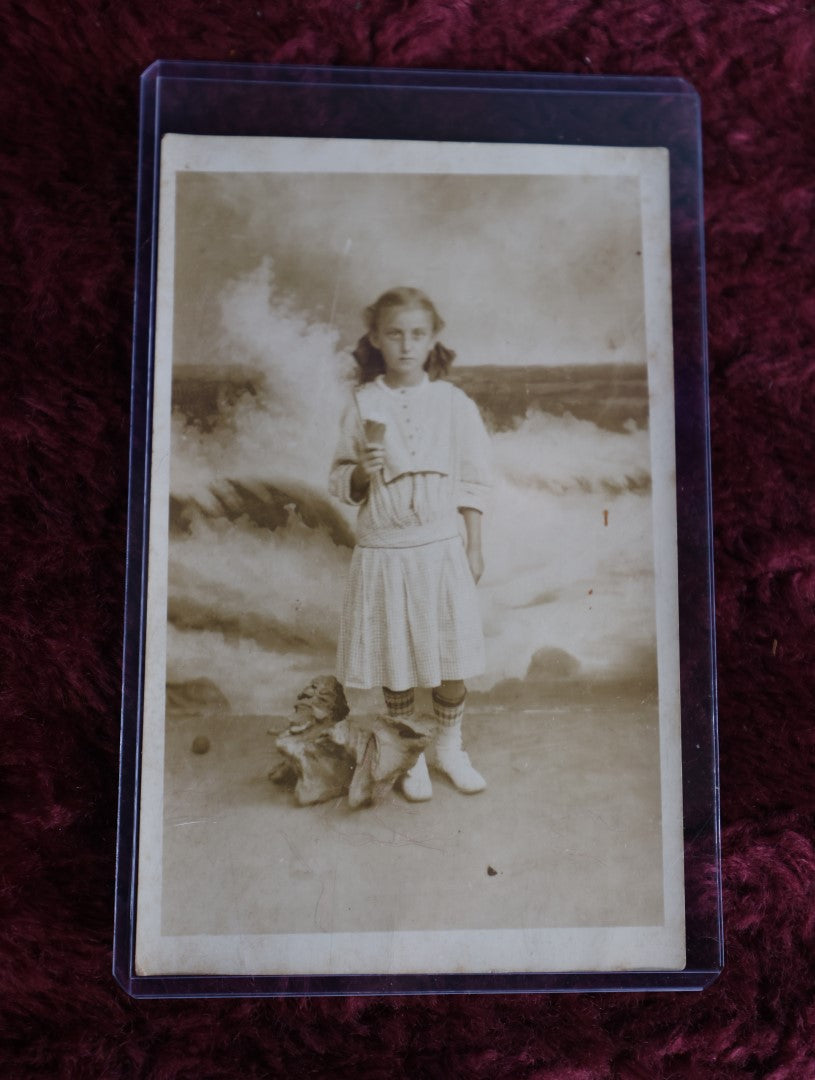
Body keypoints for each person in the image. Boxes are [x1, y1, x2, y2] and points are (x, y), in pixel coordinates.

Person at [329, 286, 492, 802]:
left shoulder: (452, 402)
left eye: (416, 334)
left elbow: (472, 478)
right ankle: (407, 752)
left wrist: (474, 545)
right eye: (394, 334)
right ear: (376, 338)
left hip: (440, 546)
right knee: (396, 660)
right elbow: (337, 477)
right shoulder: (362, 404)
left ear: (431, 340)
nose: (405, 345)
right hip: (384, 548)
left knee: (450, 658)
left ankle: (448, 744)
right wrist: (360, 474)